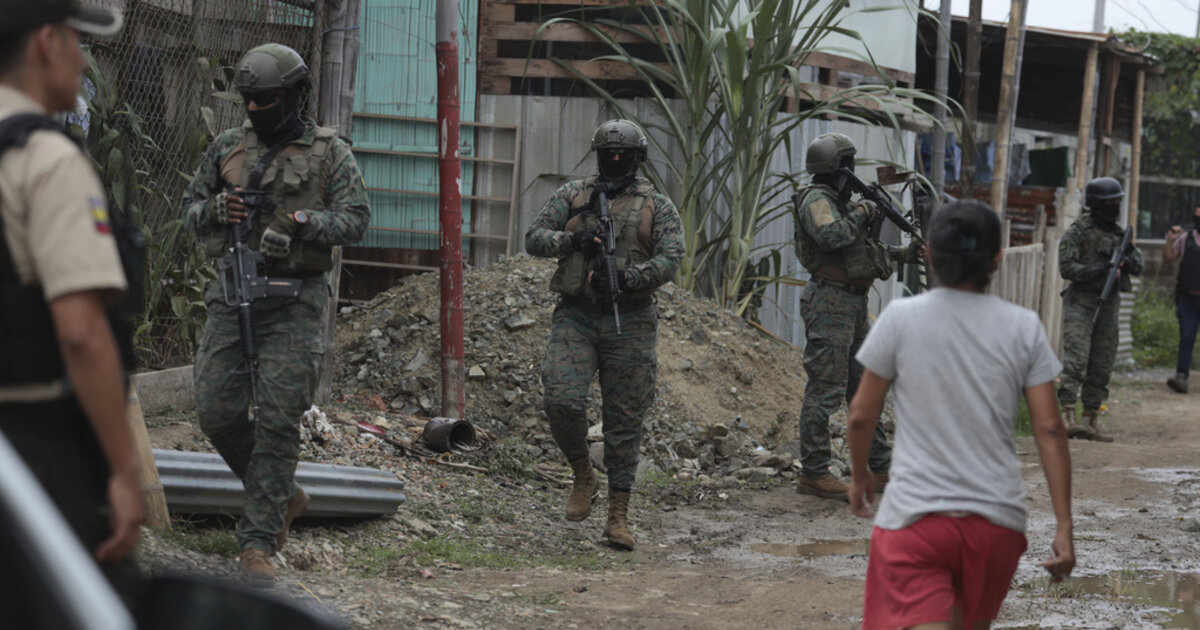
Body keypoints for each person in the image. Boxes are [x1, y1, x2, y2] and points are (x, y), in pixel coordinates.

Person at [182, 43, 370, 584]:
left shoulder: (330, 152)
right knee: (216, 411)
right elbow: (190, 211)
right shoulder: (226, 147)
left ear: (293, 96)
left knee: (279, 418)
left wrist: (300, 223)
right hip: (234, 293)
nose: (254, 108)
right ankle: (284, 495)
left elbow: (356, 220)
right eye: (248, 99)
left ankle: (258, 541)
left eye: (265, 99)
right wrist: (216, 208)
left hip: (296, 302)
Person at [847, 200, 1075, 630]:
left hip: (915, 523)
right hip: (996, 524)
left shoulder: (900, 318)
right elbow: (1050, 429)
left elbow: (861, 415)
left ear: (930, 255)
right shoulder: (1023, 326)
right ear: (997, 259)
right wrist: (1064, 525)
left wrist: (861, 476)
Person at [0, 0, 144, 620]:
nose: (84, 61)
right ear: (46, 42)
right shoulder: (48, 161)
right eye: (77, 42)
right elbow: (81, 333)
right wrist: (123, 471)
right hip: (38, 447)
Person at [525, 119, 684, 551]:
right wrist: (573, 240)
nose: (615, 160)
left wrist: (629, 277)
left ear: (638, 158)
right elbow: (534, 238)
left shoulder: (657, 205)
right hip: (575, 316)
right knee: (561, 398)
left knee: (624, 420)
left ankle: (618, 516)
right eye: (607, 154)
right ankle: (582, 473)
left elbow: (671, 259)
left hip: (630, 322)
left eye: (623, 155)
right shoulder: (573, 195)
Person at [791, 132, 923, 500]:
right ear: (837, 166)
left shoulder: (838, 201)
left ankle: (879, 466)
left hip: (851, 303)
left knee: (864, 386)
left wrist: (906, 254)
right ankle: (814, 473)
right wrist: (864, 210)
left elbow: (862, 250)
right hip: (829, 303)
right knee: (824, 390)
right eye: (848, 162)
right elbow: (832, 236)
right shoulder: (816, 199)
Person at [1057, 176, 1144, 441]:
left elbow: (1139, 265)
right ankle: (1067, 416)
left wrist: (1127, 261)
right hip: (1081, 302)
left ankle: (1090, 419)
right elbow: (1066, 268)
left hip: (1108, 305)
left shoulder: (1120, 236)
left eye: (1117, 202)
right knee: (1076, 359)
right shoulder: (1078, 232)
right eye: (1109, 203)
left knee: (1102, 362)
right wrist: (1098, 270)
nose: (1114, 207)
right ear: (1096, 204)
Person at [1163, 205, 1200, 394]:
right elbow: (1169, 258)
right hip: (1188, 299)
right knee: (1186, 337)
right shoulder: (1186, 238)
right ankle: (1181, 377)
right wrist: (1170, 240)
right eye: (1196, 216)